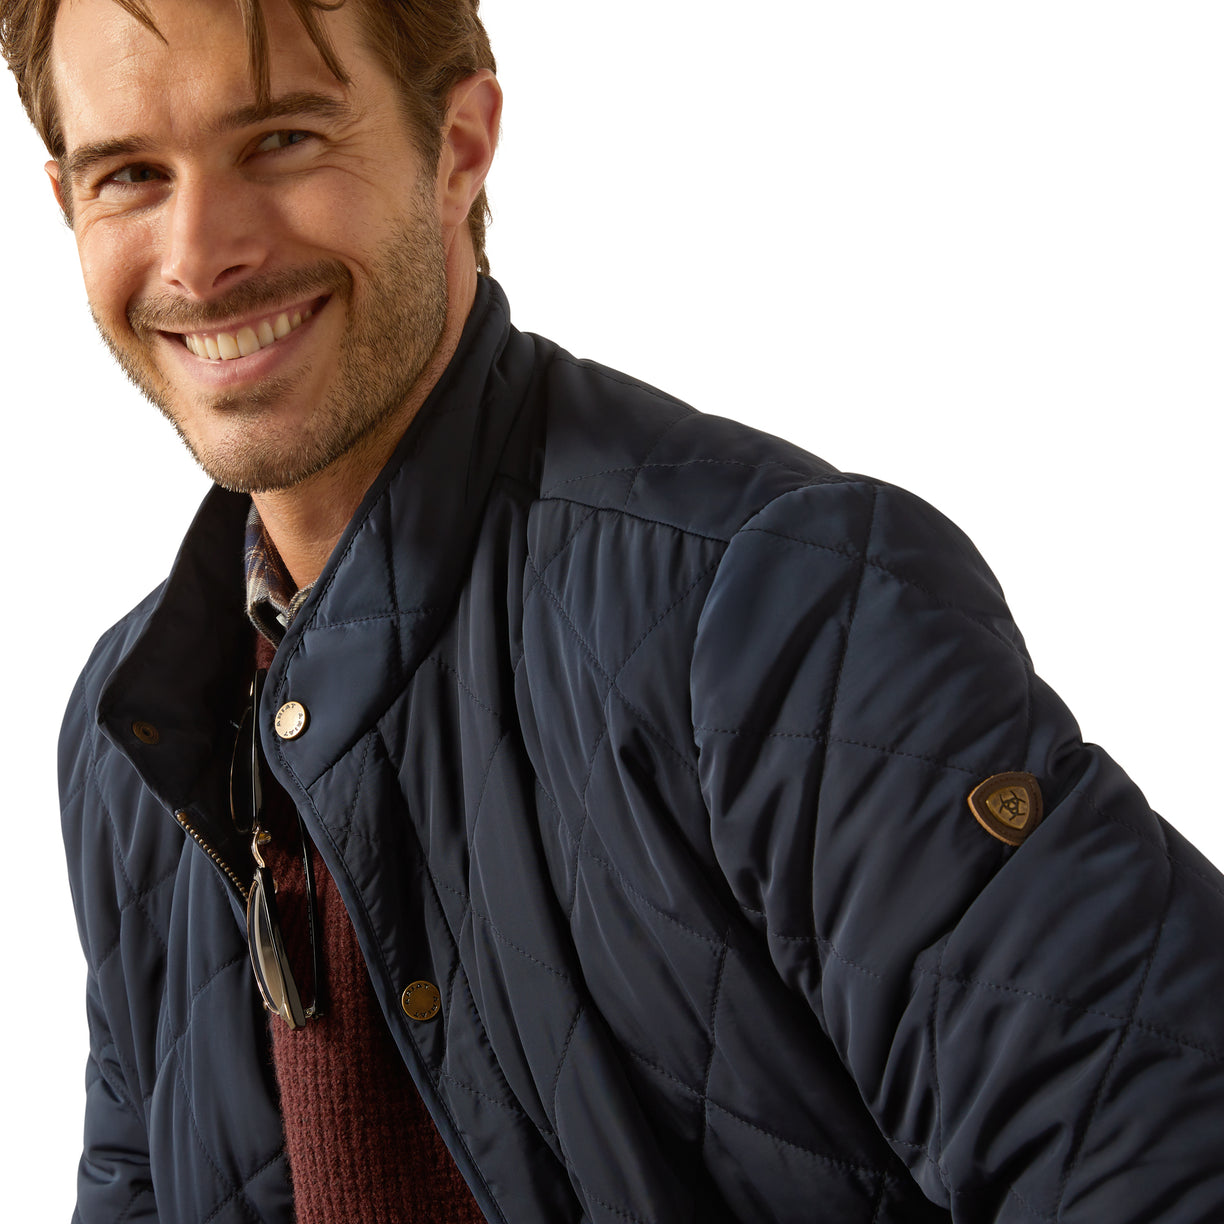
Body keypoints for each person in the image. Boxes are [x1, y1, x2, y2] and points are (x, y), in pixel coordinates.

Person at [3, 0, 1222, 1220]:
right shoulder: (132, 735)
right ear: (67, 201)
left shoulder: (780, 617)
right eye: (131, 175)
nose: (198, 255)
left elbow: (1164, 1159)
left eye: (281, 141)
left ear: (458, 147)